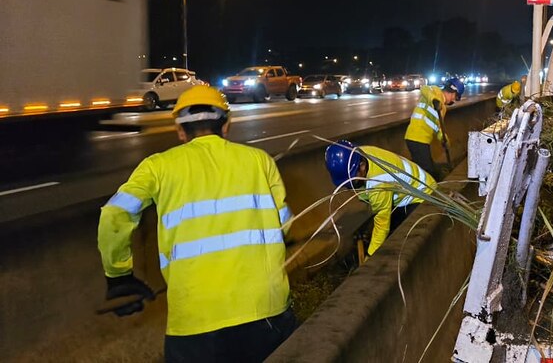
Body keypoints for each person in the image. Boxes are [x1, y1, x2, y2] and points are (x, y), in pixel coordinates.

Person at [97, 85, 296, 362]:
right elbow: (284, 224)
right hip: (267, 311)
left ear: (180, 131)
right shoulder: (259, 161)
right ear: (226, 125)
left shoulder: (158, 167)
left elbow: (113, 214)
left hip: (194, 320)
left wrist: (118, 275)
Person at [325, 140, 437, 256]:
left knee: (401, 239)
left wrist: (370, 256)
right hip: (413, 187)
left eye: (351, 180)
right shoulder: (359, 154)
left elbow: (382, 225)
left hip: (422, 196)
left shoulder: (378, 183)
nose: (349, 185)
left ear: (362, 167)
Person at [404, 78, 464, 179]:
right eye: (456, 97)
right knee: (427, 171)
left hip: (423, 141)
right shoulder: (435, 91)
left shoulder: (442, 109)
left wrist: (444, 139)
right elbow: (424, 89)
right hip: (416, 137)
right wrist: (434, 100)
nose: (454, 100)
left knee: (426, 168)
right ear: (453, 92)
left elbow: (438, 127)